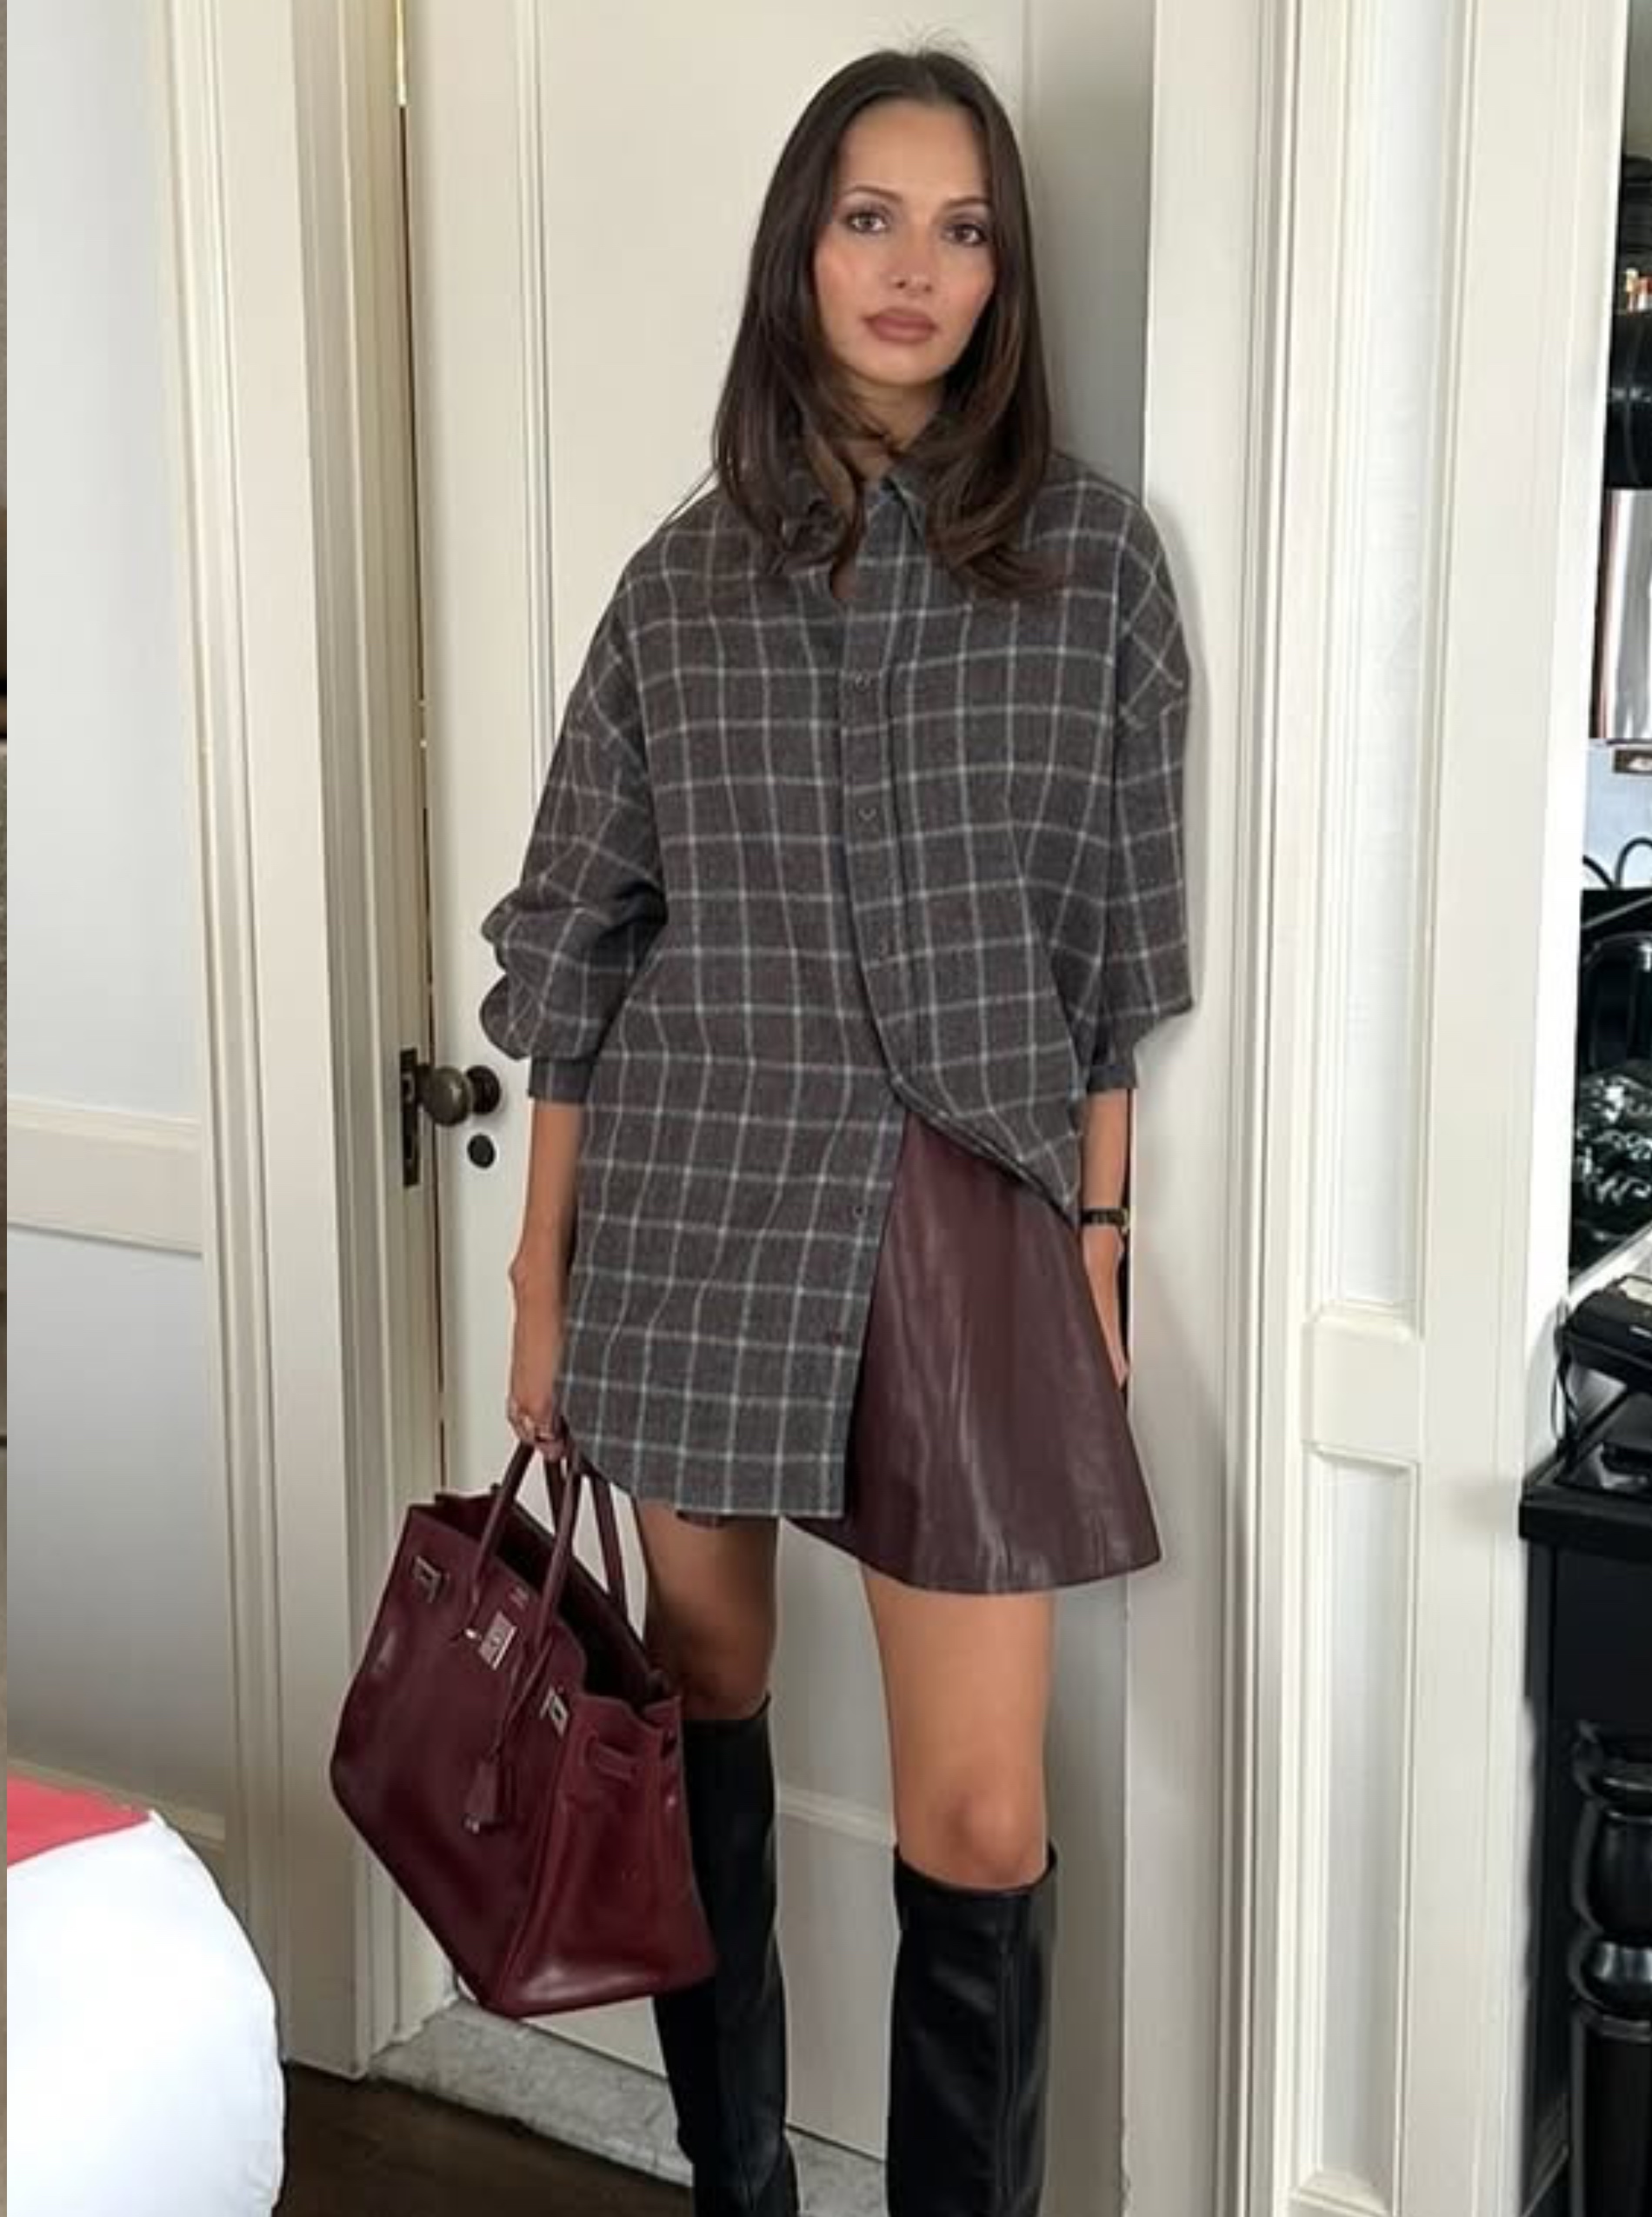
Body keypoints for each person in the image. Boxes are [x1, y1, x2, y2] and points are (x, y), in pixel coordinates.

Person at [478, 46, 1189, 2217]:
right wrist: (538, 1273)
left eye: (959, 226)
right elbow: (576, 943)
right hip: (694, 1203)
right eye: (868, 216)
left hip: (965, 1226)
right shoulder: (679, 584)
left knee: (976, 1817)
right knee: (697, 1724)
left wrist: (1093, 1226)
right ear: (799, 245)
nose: (913, 268)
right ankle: (737, 2191)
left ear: (1003, 269)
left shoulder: (1087, 565)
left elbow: (1111, 937)